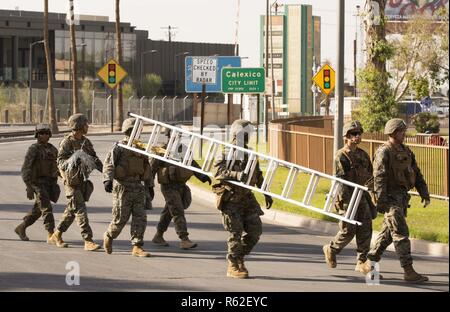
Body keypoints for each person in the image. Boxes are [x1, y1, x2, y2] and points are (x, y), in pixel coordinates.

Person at [367, 118, 430, 283]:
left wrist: (424, 192)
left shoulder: (406, 151)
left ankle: (370, 263)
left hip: (401, 198)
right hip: (389, 198)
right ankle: (408, 271)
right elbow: (379, 177)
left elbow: (416, 172)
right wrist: (381, 201)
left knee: (387, 235)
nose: (405, 134)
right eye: (402, 131)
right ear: (394, 133)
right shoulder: (384, 151)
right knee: (401, 233)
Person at [212, 119, 273, 279]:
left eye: (249, 134)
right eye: (246, 133)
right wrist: (237, 175)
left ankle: (239, 257)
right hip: (231, 199)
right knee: (235, 233)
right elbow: (218, 172)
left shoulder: (250, 153)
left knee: (255, 231)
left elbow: (258, 175)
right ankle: (233, 264)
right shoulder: (225, 152)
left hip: (247, 198)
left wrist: (266, 192)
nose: (248, 137)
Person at [322, 121, 375, 275]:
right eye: (353, 134)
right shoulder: (341, 156)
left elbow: (370, 176)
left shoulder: (363, 155)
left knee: (365, 228)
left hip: (361, 196)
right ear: (346, 136)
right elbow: (341, 181)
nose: (357, 136)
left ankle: (362, 261)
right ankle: (331, 249)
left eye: (359, 133)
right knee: (348, 230)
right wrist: (347, 204)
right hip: (347, 198)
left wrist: (371, 192)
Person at [49, 113, 103, 251]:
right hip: (71, 182)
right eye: (85, 124)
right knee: (80, 210)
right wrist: (74, 158)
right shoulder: (67, 142)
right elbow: (59, 162)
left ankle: (57, 234)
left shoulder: (86, 142)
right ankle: (88, 240)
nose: (87, 126)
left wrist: (108, 174)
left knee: (71, 210)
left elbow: (95, 159)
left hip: (82, 181)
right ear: (78, 126)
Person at [151, 129, 212, 249]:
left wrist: (203, 176)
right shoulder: (161, 150)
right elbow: (152, 168)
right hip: (168, 187)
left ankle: (158, 235)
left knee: (169, 211)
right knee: (177, 210)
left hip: (181, 186)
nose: (177, 138)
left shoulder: (183, 150)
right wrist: (149, 187)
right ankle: (184, 239)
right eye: (174, 135)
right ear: (168, 136)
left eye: (179, 136)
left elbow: (192, 164)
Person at [102, 118, 154, 257]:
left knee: (140, 218)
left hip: (138, 188)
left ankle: (137, 246)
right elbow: (109, 164)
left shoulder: (141, 149)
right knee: (120, 218)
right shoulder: (119, 147)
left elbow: (147, 167)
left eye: (137, 131)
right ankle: (109, 235)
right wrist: (108, 180)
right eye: (133, 131)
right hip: (123, 188)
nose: (135, 133)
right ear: (127, 131)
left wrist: (150, 186)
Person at [15, 124, 60, 243]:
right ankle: (51, 233)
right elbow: (26, 169)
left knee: (38, 210)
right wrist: (29, 187)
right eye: (41, 133)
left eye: (46, 133)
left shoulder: (52, 149)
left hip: (49, 183)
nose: (44, 135)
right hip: (37, 183)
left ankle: (21, 227)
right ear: (37, 135)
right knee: (46, 208)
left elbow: (58, 165)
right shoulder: (33, 149)